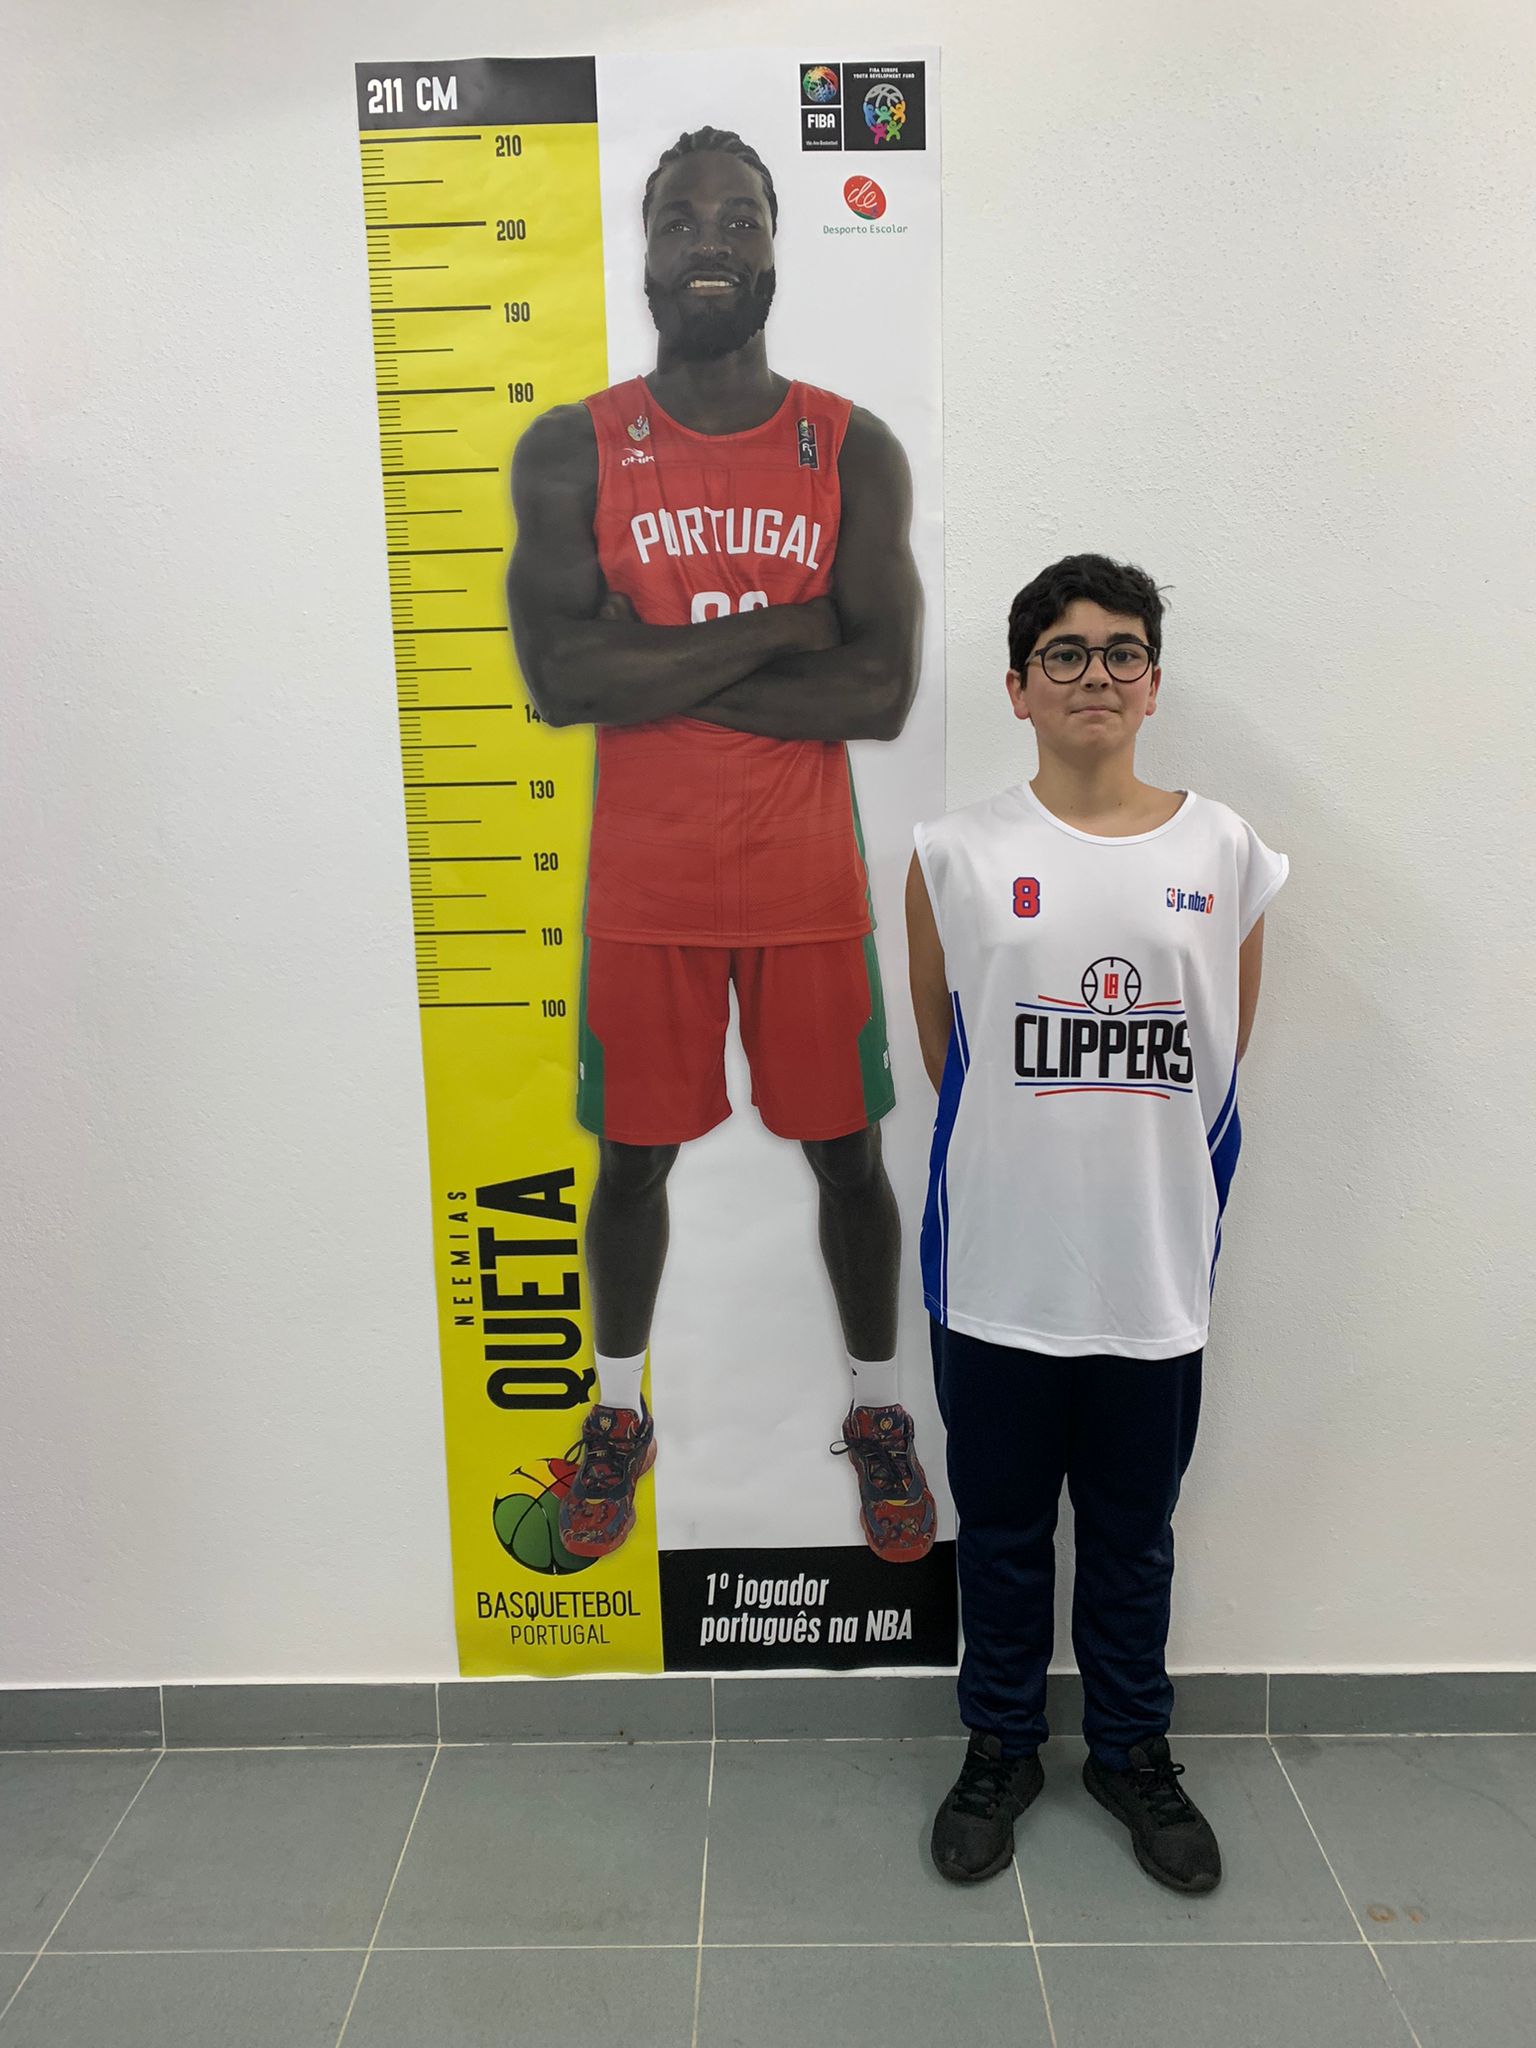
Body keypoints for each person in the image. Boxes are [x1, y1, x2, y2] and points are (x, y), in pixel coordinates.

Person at [507, 126, 937, 1568]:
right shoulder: (573, 447)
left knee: (847, 1160)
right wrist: (783, 628)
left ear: (771, 247)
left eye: (738, 217)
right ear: (644, 250)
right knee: (630, 1166)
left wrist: (657, 664)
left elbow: (878, 693)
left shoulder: (848, 446)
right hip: (647, 895)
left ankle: (878, 1411)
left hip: (806, 889)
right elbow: (561, 679)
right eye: (682, 218)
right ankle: (616, 1415)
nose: (710, 240)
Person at [908, 554, 1287, 1893]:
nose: (1095, 674)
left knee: (1134, 1539)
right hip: (997, 1274)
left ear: (1154, 682)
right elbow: (948, 1058)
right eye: (1063, 653)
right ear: (1018, 688)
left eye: (1122, 651)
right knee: (1002, 1533)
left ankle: (1131, 1751)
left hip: (1151, 1275)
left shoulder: (1225, 853)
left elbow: (1221, 1057)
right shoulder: (952, 856)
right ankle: (1001, 1746)